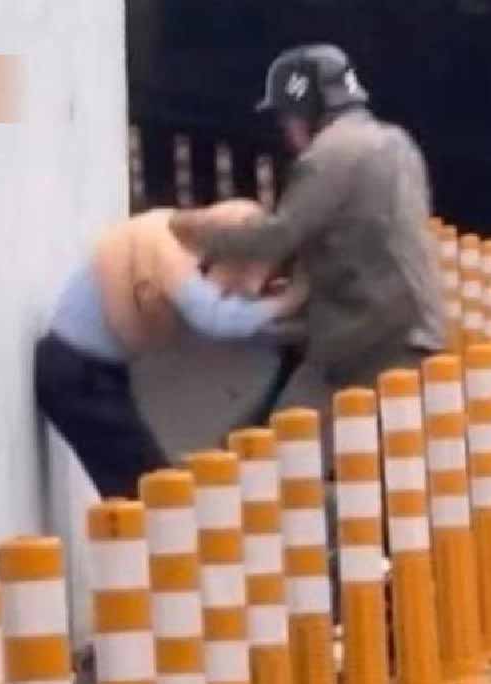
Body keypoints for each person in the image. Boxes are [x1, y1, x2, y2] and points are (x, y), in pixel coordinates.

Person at [175, 44, 445, 460]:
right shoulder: (397, 143)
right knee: (380, 465)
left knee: (284, 454)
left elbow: (275, 236)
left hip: (369, 345)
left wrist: (195, 231)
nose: (286, 132)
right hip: (411, 330)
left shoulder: (328, 156)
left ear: (306, 111)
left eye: (285, 118)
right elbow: (362, 237)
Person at [35, 199, 306, 501]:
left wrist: (272, 309)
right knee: (150, 489)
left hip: (92, 370)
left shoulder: (176, 242)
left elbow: (226, 315)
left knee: (145, 487)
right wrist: (287, 302)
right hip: (78, 371)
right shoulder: (169, 250)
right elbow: (216, 318)